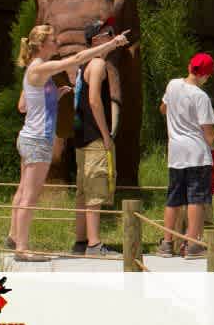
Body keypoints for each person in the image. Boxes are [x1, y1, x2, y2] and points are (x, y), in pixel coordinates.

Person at [8, 24, 129, 262]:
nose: (56, 43)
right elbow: (77, 58)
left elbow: (23, 106)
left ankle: (15, 238)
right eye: (53, 40)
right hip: (38, 140)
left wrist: (53, 96)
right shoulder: (41, 67)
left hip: (29, 137)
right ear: (42, 45)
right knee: (30, 197)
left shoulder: (34, 70)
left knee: (23, 191)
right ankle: (22, 248)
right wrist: (112, 44)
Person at [156, 53, 214, 259]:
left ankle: (167, 243)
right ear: (205, 75)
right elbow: (209, 134)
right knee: (197, 199)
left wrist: (180, 118)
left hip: (175, 153)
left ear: (189, 66)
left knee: (173, 198)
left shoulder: (172, 85)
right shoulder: (201, 97)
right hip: (197, 154)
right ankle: (193, 244)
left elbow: (163, 108)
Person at [70, 20, 120, 257]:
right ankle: (94, 244)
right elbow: (93, 100)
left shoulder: (84, 64)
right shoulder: (98, 63)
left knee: (83, 190)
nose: (113, 36)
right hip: (93, 138)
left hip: (81, 137)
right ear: (97, 41)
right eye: (108, 34)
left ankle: (81, 241)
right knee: (95, 190)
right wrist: (105, 135)